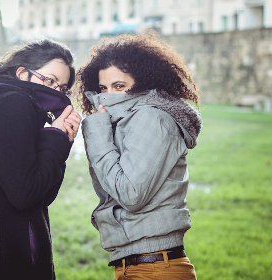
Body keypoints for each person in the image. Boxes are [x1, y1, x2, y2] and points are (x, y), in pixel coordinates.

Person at [74, 32, 202, 280]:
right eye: (103, 88)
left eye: (119, 86)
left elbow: (130, 194)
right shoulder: (127, 121)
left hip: (155, 268)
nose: (108, 96)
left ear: (143, 83)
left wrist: (98, 132)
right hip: (133, 265)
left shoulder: (152, 118)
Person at [0, 39, 81, 280]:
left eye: (63, 88)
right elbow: (25, 194)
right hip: (5, 262)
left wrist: (60, 141)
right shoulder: (12, 104)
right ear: (23, 74)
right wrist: (54, 138)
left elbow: (42, 196)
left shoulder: (12, 106)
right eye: (50, 80)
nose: (56, 92)